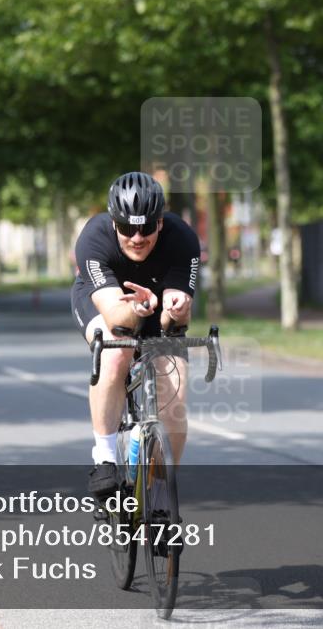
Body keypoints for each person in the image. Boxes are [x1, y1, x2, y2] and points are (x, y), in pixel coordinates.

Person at [71, 172, 200, 498]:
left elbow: (173, 321)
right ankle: (104, 458)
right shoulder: (94, 237)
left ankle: (159, 494)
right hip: (104, 303)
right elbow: (116, 318)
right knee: (117, 351)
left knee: (177, 390)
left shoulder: (182, 238)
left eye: (146, 228)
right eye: (128, 229)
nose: (137, 238)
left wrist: (176, 309)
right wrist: (139, 308)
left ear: (160, 223)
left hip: (155, 305)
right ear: (115, 223)